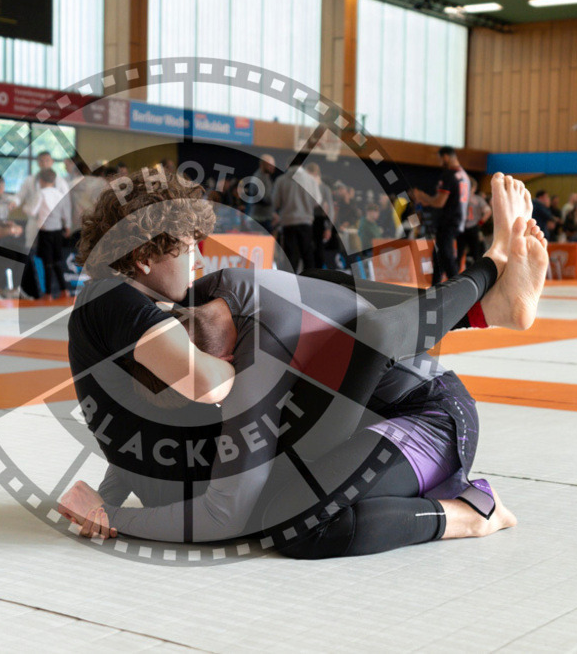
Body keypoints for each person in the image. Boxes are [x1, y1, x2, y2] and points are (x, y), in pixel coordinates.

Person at [61, 171, 538, 556]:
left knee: (299, 526)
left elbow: (363, 320)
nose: (199, 260)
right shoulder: (179, 305)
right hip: (363, 411)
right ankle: (487, 308)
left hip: (428, 417)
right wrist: (111, 494)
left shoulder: (230, 327)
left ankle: (475, 512)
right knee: (282, 506)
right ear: (145, 256)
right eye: (189, 248)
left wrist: (110, 517)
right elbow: (133, 414)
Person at [410, 146, 470, 285]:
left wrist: (422, 196)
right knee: (439, 257)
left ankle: (458, 287)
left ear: (446, 157)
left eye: (439, 159)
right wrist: (425, 200)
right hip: (458, 220)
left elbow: (439, 202)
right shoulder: (464, 175)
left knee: (446, 256)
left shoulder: (449, 175)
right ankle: (435, 287)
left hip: (447, 222)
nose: (439, 162)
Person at [272, 163, 322, 272]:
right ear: (301, 166)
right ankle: (311, 282)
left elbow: (276, 202)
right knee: (307, 255)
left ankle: (290, 284)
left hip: (288, 222)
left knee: (290, 258)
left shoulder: (281, 180)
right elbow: (317, 201)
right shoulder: (310, 180)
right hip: (306, 221)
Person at [32, 168, 72, 299]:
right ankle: (64, 290)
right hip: (57, 231)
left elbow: (33, 211)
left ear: (41, 181)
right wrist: (67, 227)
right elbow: (66, 213)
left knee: (47, 263)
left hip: (45, 231)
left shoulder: (41, 193)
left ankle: (48, 293)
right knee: (57, 261)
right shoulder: (60, 194)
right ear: (54, 180)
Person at [457, 180, 491, 268]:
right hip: (473, 227)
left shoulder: (461, 198)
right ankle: (476, 273)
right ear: (474, 188)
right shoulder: (477, 199)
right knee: (475, 253)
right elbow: (488, 211)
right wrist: (480, 222)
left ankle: (455, 274)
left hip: (463, 227)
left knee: (460, 253)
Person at [244, 154, 278, 234]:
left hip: (265, 218)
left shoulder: (266, 177)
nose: (273, 167)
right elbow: (266, 198)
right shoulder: (258, 178)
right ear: (263, 164)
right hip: (259, 220)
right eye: (271, 165)